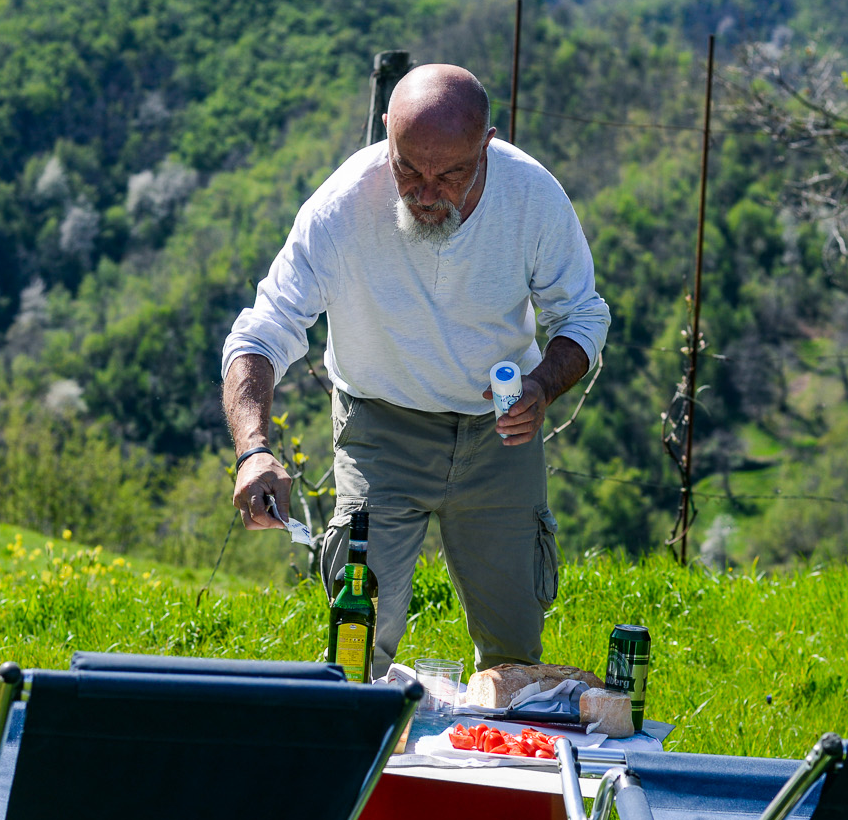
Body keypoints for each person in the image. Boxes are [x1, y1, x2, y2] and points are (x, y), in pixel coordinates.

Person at [220, 63, 611, 677]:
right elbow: (261, 330)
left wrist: (540, 386)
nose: (426, 193)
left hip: (498, 432)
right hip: (380, 430)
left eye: (450, 174)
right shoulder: (340, 208)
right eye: (408, 169)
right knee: (360, 637)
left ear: (486, 146)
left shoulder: (532, 197)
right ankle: (369, 764)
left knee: (514, 650)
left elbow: (583, 316)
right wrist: (254, 451)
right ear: (385, 134)